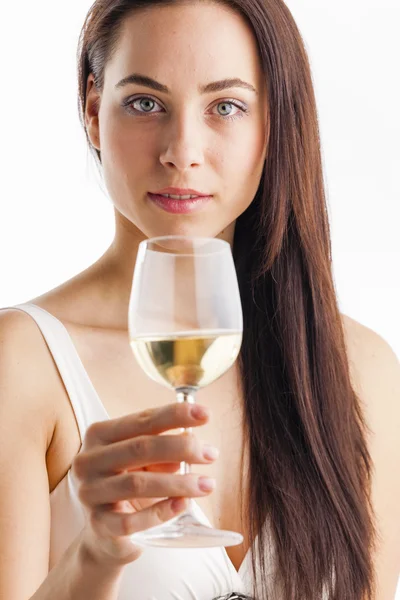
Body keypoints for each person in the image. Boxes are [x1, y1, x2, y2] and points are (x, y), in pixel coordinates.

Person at [0, 0, 399, 599]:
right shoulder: (22, 365)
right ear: (92, 112)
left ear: (274, 125)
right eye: (145, 103)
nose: (181, 151)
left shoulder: (360, 370)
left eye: (226, 106)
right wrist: (97, 555)